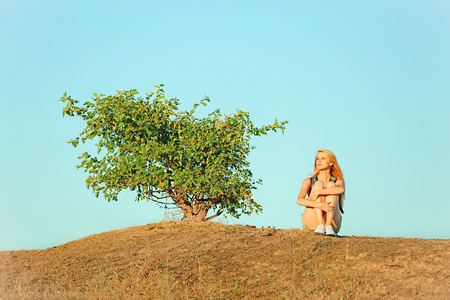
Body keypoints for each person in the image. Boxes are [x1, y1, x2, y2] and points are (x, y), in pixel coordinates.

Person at [296, 149, 345, 236]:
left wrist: (319, 192)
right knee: (318, 184)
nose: (319, 161)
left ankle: (328, 226)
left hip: (333, 223)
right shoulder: (308, 181)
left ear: (331, 163)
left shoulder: (338, 181)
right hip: (312, 221)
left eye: (323, 158)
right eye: (317, 159)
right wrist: (320, 205)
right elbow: (299, 200)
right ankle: (320, 225)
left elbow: (341, 189)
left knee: (331, 185)